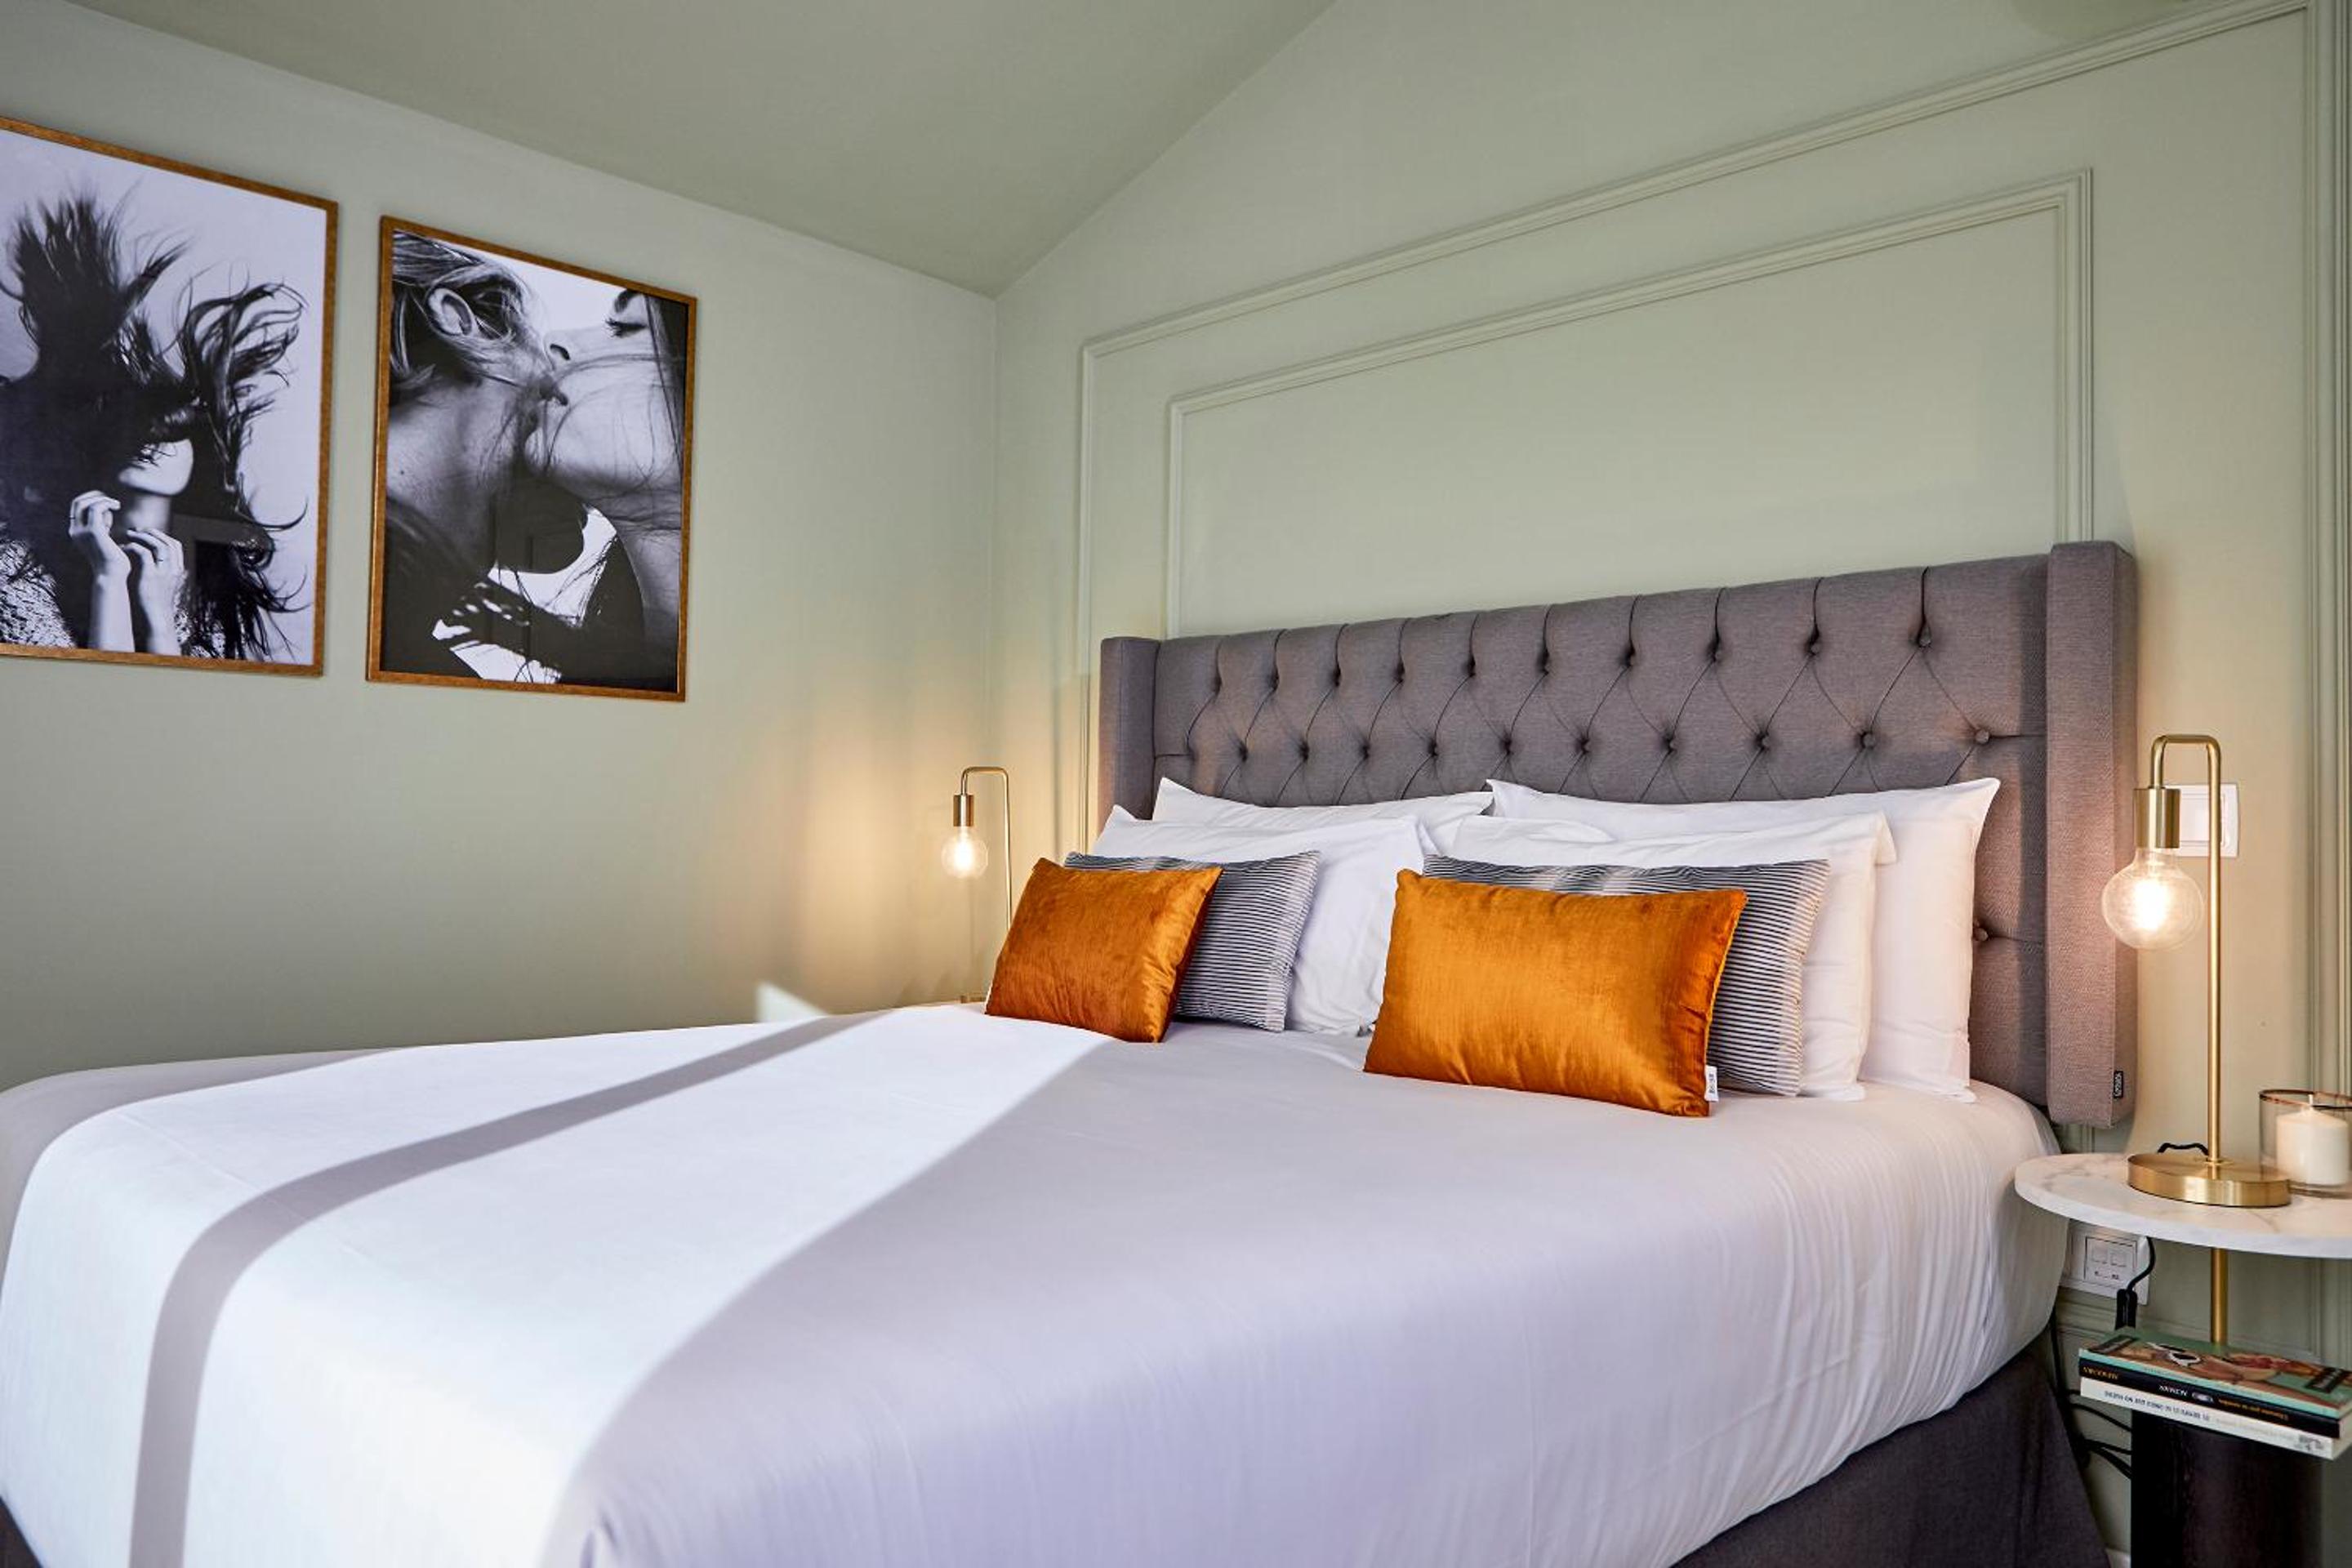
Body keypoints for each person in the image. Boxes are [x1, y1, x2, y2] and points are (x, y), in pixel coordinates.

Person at [0, 195, 305, 660]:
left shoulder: (210, 584)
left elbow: (181, 701)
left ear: (203, 448)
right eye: (128, 419)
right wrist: (109, 577)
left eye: (171, 423)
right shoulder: (14, 566)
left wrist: (159, 615)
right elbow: (100, 698)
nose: (150, 438)